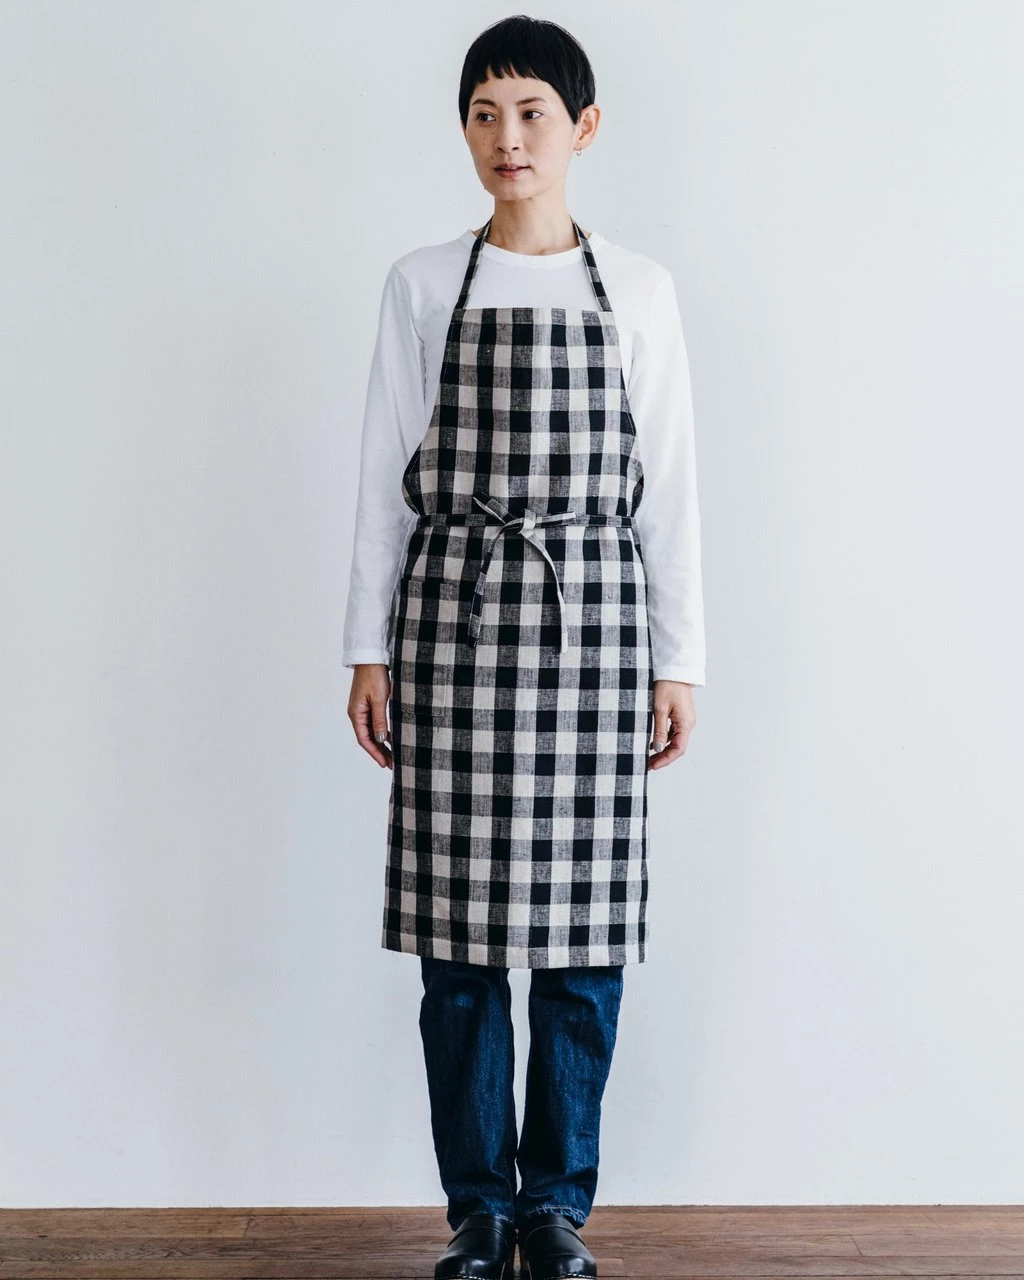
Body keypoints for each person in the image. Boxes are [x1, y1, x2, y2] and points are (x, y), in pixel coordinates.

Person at [342, 15, 705, 1280]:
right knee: (456, 953)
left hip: (593, 622)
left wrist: (679, 660)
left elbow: (669, 488)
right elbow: (384, 479)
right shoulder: (420, 283)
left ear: (582, 127)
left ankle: (554, 1207)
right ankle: (477, 1212)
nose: (509, 137)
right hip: (453, 616)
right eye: (486, 113)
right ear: (464, 130)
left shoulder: (641, 289)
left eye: (533, 112)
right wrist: (367, 647)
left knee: (582, 947)